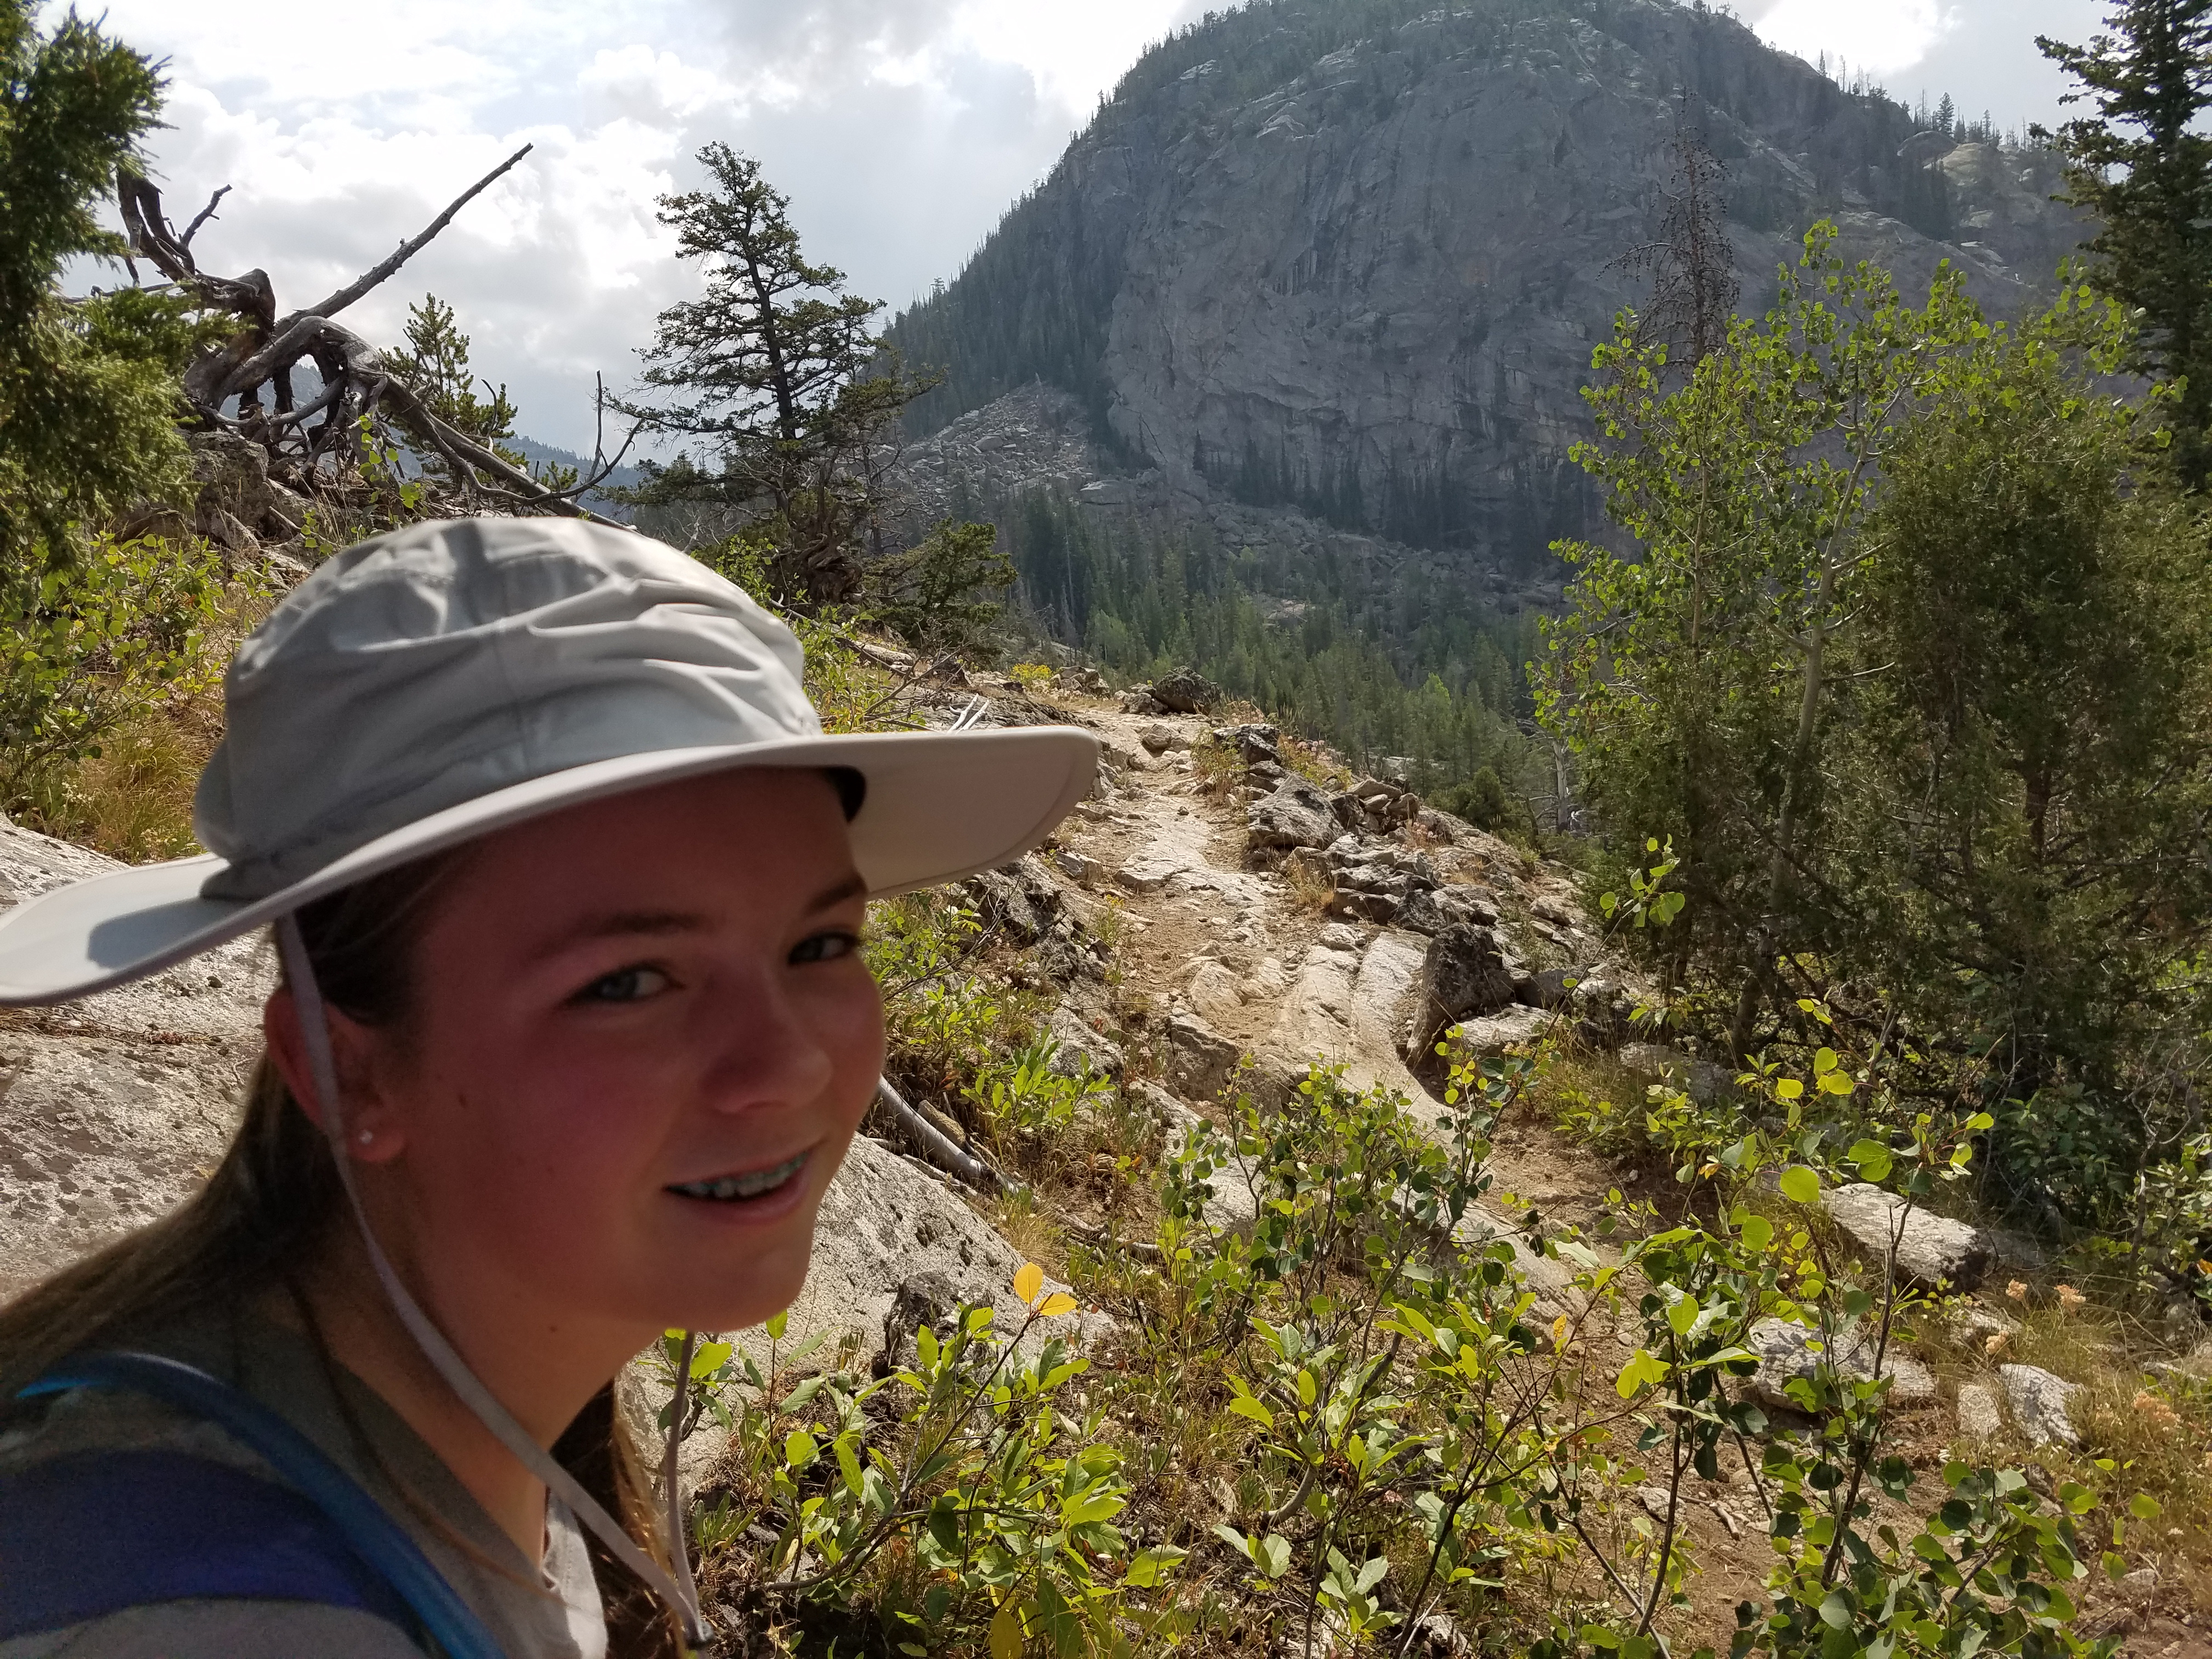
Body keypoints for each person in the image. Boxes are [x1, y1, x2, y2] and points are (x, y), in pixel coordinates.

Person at [0, 518, 1097, 1656]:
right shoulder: (216, 1616)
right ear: (351, 1069)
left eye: (820, 946)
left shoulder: (461, 1440)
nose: (792, 1065)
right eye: (628, 982)